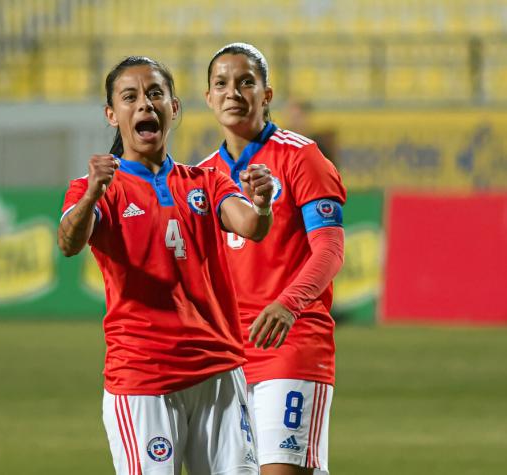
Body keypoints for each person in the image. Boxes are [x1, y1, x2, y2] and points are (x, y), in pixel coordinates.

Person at [57, 55, 275, 475]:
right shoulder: (96, 189)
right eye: (130, 96)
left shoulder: (206, 181)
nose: (144, 104)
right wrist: (91, 198)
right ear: (111, 113)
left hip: (219, 372)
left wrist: (263, 205)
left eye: (155, 94)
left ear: (174, 108)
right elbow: (69, 242)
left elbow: (251, 226)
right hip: (144, 379)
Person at [199, 43, 347, 475]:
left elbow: (330, 249)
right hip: (227, 356)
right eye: (221, 84)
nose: (233, 93)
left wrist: (289, 303)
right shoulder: (204, 175)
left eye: (246, 82)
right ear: (208, 98)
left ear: (266, 94)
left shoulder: (302, 157)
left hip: (291, 342)